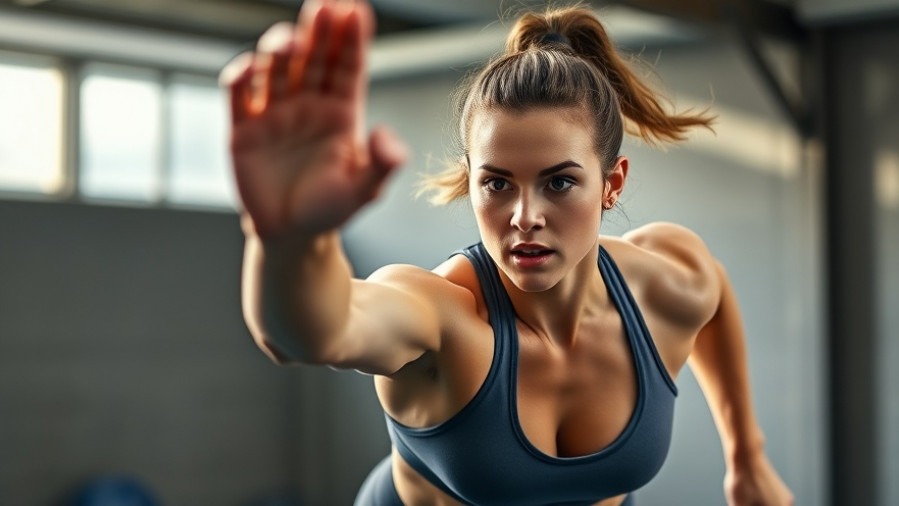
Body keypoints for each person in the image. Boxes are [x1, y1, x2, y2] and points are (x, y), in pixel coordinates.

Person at [219, 0, 795, 504]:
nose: (524, 217)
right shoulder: (441, 318)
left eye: (560, 182)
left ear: (611, 184)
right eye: (496, 183)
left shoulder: (663, 281)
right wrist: (288, 238)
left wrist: (747, 456)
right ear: (471, 183)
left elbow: (713, 294)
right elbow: (312, 331)